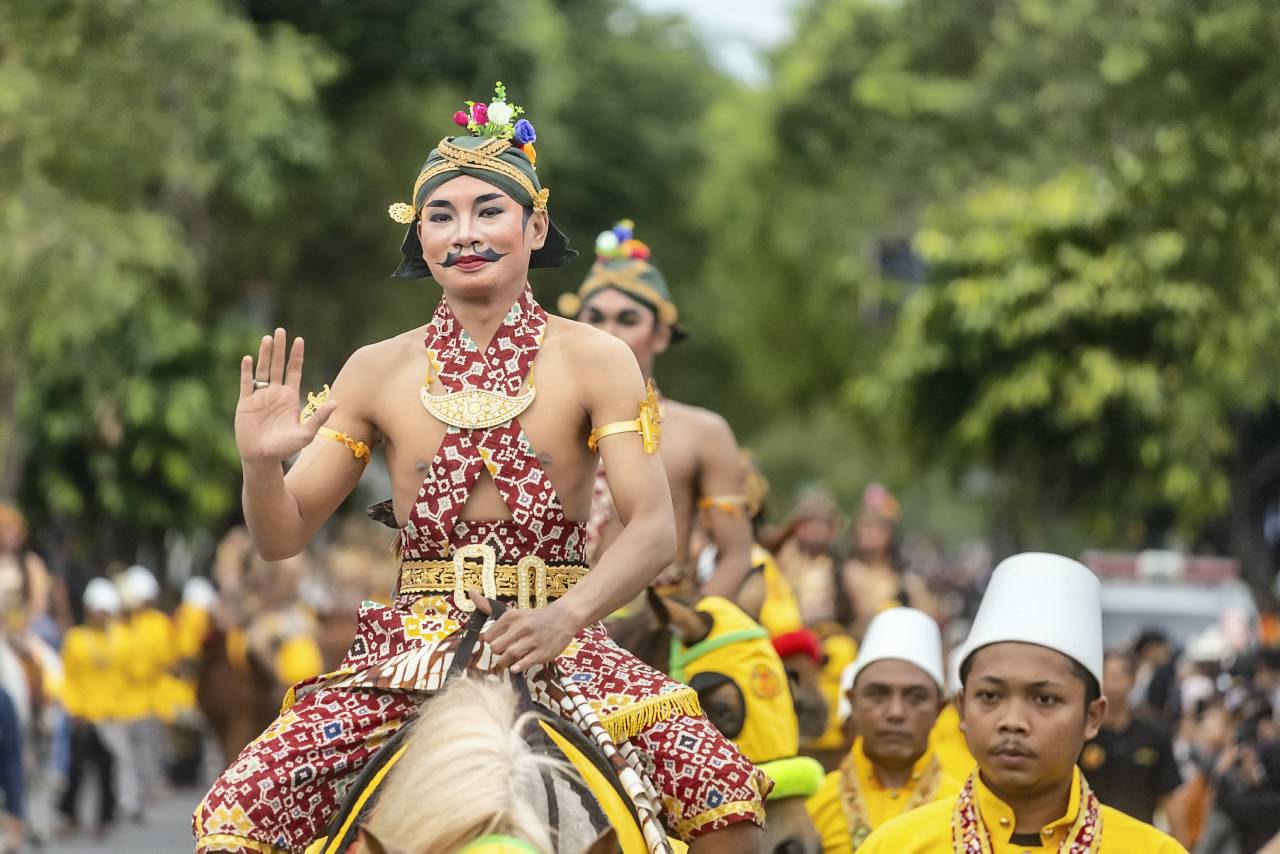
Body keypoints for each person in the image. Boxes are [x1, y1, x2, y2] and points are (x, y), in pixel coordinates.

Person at [194, 83, 766, 853]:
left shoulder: (598, 358)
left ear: (535, 227)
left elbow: (653, 529)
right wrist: (261, 466)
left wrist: (565, 618)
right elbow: (280, 536)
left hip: (566, 641)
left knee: (720, 789)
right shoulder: (374, 369)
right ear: (419, 237)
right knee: (237, 815)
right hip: (410, 652)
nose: (464, 233)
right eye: (441, 215)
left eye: (488, 211)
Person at [860, 552, 1186, 852]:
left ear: (1092, 717)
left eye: (1044, 699)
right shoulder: (896, 846)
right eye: (990, 696)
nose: (1013, 720)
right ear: (961, 708)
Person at [563, 221, 754, 599]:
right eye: (595, 318)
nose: (608, 332)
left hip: (654, 633)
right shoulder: (539, 418)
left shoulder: (703, 433)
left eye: (628, 320)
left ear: (661, 335)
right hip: (546, 628)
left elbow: (735, 556)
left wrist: (691, 629)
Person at [807, 607, 962, 851]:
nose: (896, 712)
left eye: (915, 697)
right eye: (878, 694)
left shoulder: (965, 810)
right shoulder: (814, 805)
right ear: (852, 701)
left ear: (939, 709)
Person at [1080, 650, 1182, 825]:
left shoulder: (1153, 735)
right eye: (1107, 677)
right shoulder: (1081, 734)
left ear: (1133, 680)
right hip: (1088, 838)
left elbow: (1168, 795)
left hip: (1140, 837)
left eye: (1119, 677)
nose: (1112, 686)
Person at [58, 578, 126, 834]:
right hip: (83, 717)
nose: (101, 617)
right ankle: (69, 815)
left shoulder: (121, 640)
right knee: (75, 769)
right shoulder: (76, 639)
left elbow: (127, 678)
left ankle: (106, 817)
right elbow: (68, 678)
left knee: (107, 770)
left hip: (111, 717)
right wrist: (74, 709)